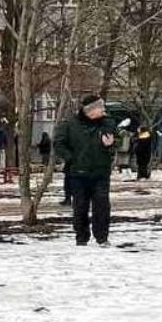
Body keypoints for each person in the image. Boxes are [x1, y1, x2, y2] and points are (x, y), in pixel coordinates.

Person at [54, 94, 116, 247]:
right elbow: (59, 144)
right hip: (78, 174)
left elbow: (118, 140)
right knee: (80, 207)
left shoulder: (107, 123)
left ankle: (102, 238)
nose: (103, 110)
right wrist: (72, 159)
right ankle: (81, 238)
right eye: (99, 107)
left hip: (101, 172)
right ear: (89, 110)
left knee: (102, 206)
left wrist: (111, 145)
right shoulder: (70, 124)